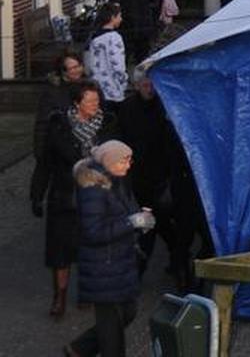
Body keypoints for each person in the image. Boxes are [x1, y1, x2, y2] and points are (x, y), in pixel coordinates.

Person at [66, 139, 153, 357]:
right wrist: (131, 223)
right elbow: (94, 232)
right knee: (112, 334)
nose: (129, 165)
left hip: (117, 264)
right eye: (124, 161)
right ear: (109, 161)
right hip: (103, 267)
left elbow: (124, 212)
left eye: (129, 160)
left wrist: (140, 217)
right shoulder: (92, 189)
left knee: (127, 312)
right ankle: (80, 349)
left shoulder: (117, 180)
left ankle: (79, 349)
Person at [43, 82, 114, 318]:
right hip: (65, 195)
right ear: (77, 103)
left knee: (90, 247)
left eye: (97, 101)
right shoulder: (60, 124)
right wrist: (37, 193)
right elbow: (47, 160)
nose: (95, 105)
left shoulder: (107, 123)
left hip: (94, 196)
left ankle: (87, 292)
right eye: (90, 101)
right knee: (60, 249)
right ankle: (59, 296)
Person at [118, 70, 192, 290]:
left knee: (159, 227)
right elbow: (122, 136)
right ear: (138, 85)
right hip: (141, 178)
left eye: (152, 85)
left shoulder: (165, 108)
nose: (149, 88)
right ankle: (178, 270)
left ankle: (174, 270)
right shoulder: (128, 108)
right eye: (145, 84)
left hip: (166, 178)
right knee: (153, 227)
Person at [31, 52, 88, 221]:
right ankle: (38, 199)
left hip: (83, 140)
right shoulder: (52, 92)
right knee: (48, 169)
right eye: (72, 68)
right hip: (60, 142)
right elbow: (42, 122)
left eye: (78, 66)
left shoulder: (89, 86)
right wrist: (40, 148)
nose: (77, 71)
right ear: (63, 72)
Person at [85, 4, 128, 106]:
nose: (121, 19)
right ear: (112, 17)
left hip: (97, 86)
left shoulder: (94, 37)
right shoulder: (114, 37)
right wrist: (124, 80)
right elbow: (118, 65)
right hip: (113, 88)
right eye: (119, 16)